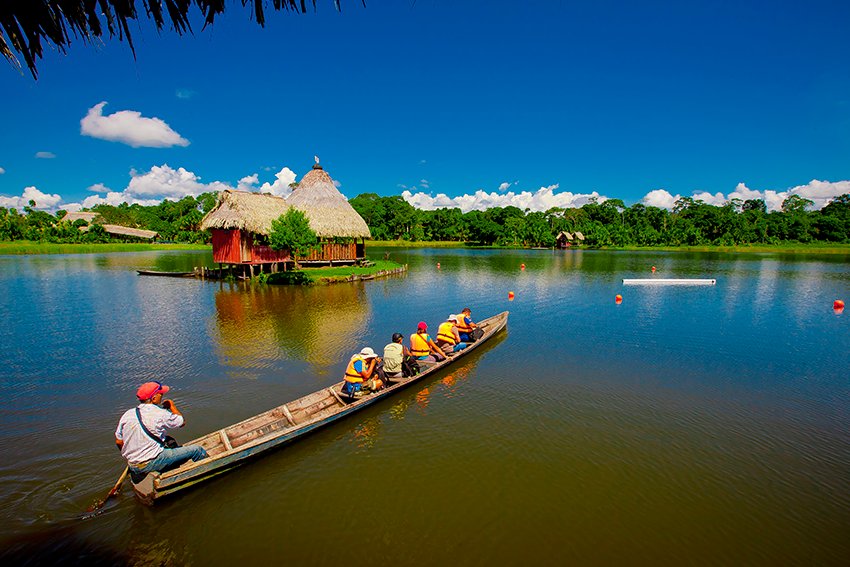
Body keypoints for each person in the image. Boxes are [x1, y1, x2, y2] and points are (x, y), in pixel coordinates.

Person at [115, 381, 208, 484]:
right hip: (150, 462)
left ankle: (167, 469)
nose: (162, 396)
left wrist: (132, 457)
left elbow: (119, 441)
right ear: (154, 398)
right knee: (197, 450)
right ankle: (207, 474)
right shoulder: (160, 413)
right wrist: (172, 406)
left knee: (170, 441)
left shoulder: (127, 414)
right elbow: (181, 422)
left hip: (133, 464)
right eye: (161, 394)